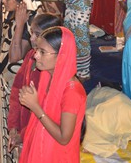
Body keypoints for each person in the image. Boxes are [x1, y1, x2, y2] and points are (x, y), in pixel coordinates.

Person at [0, 0, 42, 163]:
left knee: (12, 129)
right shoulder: (10, 14)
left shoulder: (28, 21)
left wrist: (19, 25)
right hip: (2, 81)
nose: (4, 1)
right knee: (3, 128)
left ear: (21, 0)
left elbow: (14, 58)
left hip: (13, 86)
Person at [18, 26, 87, 162]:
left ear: (61, 55)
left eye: (42, 52)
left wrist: (35, 107)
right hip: (43, 150)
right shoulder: (47, 78)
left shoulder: (72, 92)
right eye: (37, 50)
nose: (36, 55)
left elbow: (63, 138)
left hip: (59, 157)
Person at [8, 14, 62, 155]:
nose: (32, 38)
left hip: (40, 134)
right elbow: (17, 88)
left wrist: (23, 135)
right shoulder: (31, 56)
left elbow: (47, 114)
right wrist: (13, 125)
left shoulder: (48, 69)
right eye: (31, 32)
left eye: (37, 34)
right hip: (23, 127)